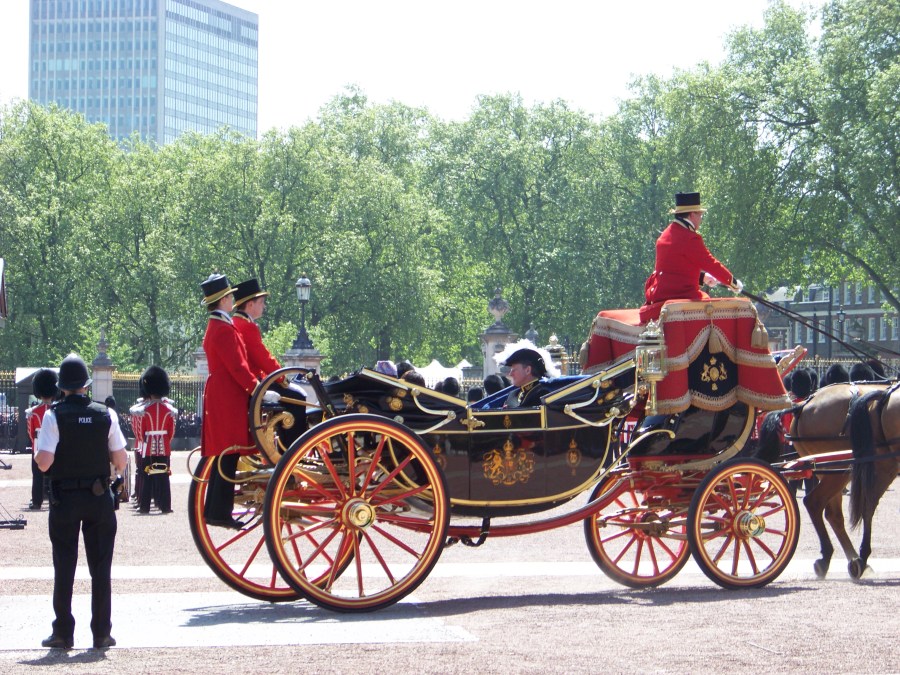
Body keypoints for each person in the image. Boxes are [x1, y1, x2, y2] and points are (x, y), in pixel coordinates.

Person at [34, 354, 127, 651]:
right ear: (87, 385)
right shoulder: (105, 414)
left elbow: (44, 463)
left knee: (64, 566)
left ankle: (63, 632)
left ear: (62, 387)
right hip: (98, 497)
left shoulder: (53, 416)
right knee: (101, 568)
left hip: (65, 499)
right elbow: (121, 460)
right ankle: (101, 633)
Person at [200, 273, 260, 528]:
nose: (233, 299)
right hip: (229, 396)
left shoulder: (219, 325)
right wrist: (257, 388)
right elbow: (238, 367)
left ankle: (214, 511)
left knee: (224, 455)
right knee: (228, 454)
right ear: (224, 299)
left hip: (225, 394)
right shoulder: (223, 329)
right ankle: (219, 513)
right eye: (230, 296)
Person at [639, 192, 742, 324]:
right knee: (712, 308)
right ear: (692, 215)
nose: (701, 219)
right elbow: (711, 264)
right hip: (679, 295)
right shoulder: (690, 238)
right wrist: (732, 283)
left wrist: (702, 277)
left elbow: (675, 269)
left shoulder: (666, 234)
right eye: (700, 215)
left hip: (660, 293)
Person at [132, 366, 176, 514]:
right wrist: (166, 441)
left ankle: (144, 506)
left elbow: (141, 432)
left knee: (147, 475)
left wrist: (144, 441)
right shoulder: (169, 410)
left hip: (149, 445)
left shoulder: (144, 410)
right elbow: (171, 432)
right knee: (163, 475)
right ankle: (165, 506)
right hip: (164, 445)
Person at [231, 279, 282, 379]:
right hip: (251, 381)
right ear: (250, 304)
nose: (264, 306)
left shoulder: (233, 322)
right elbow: (263, 359)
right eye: (261, 302)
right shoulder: (247, 326)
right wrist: (282, 376)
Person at [26, 368, 58, 510]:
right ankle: (54, 499)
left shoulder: (33, 412)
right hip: (54, 445)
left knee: (37, 475)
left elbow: (30, 432)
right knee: (55, 474)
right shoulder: (56, 411)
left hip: (38, 445)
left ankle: (36, 501)